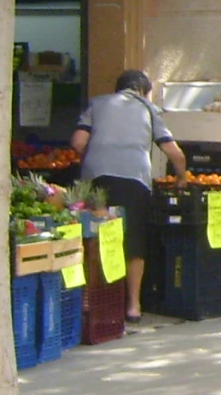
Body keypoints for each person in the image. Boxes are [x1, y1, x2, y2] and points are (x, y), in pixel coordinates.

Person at [71, 69, 189, 321]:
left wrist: (95, 159)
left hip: (95, 178)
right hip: (133, 180)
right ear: (144, 91)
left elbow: (78, 142)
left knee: (94, 237)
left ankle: (90, 300)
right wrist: (181, 177)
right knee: (134, 240)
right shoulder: (148, 109)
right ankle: (133, 306)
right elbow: (174, 153)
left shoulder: (97, 103)